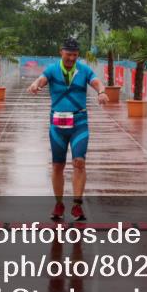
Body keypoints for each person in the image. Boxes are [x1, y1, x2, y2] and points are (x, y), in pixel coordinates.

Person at [27, 38, 108, 221]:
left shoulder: (84, 70)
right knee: (58, 165)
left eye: (75, 55)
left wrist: (101, 92)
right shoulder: (53, 69)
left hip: (79, 123)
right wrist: (35, 85)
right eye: (68, 54)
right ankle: (58, 203)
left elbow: (96, 82)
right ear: (61, 52)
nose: (72, 58)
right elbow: (42, 79)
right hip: (57, 125)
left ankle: (77, 205)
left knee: (79, 162)